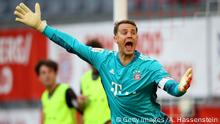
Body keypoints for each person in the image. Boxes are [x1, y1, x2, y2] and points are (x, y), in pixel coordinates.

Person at [15, 3, 192, 124]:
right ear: (115, 38)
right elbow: (74, 45)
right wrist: (42, 27)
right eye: (124, 32)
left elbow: (169, 86)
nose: (129, 35)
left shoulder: (149, 66)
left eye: (133, 32)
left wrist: (180, 88)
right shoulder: (104, 59)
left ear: (137, 38)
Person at [78, 40, 111, 124]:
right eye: (88, 55)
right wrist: (81, 103)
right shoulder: (84, 78)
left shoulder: (110, 75)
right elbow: (81, 110)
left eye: (94, 55)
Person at [35, 60, 78, 124]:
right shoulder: (44, 96)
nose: (47, 75)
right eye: (43, 73)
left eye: (50, 71)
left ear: (55, 73)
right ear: (39, 77)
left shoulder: (66, 91)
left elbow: (79, 113)